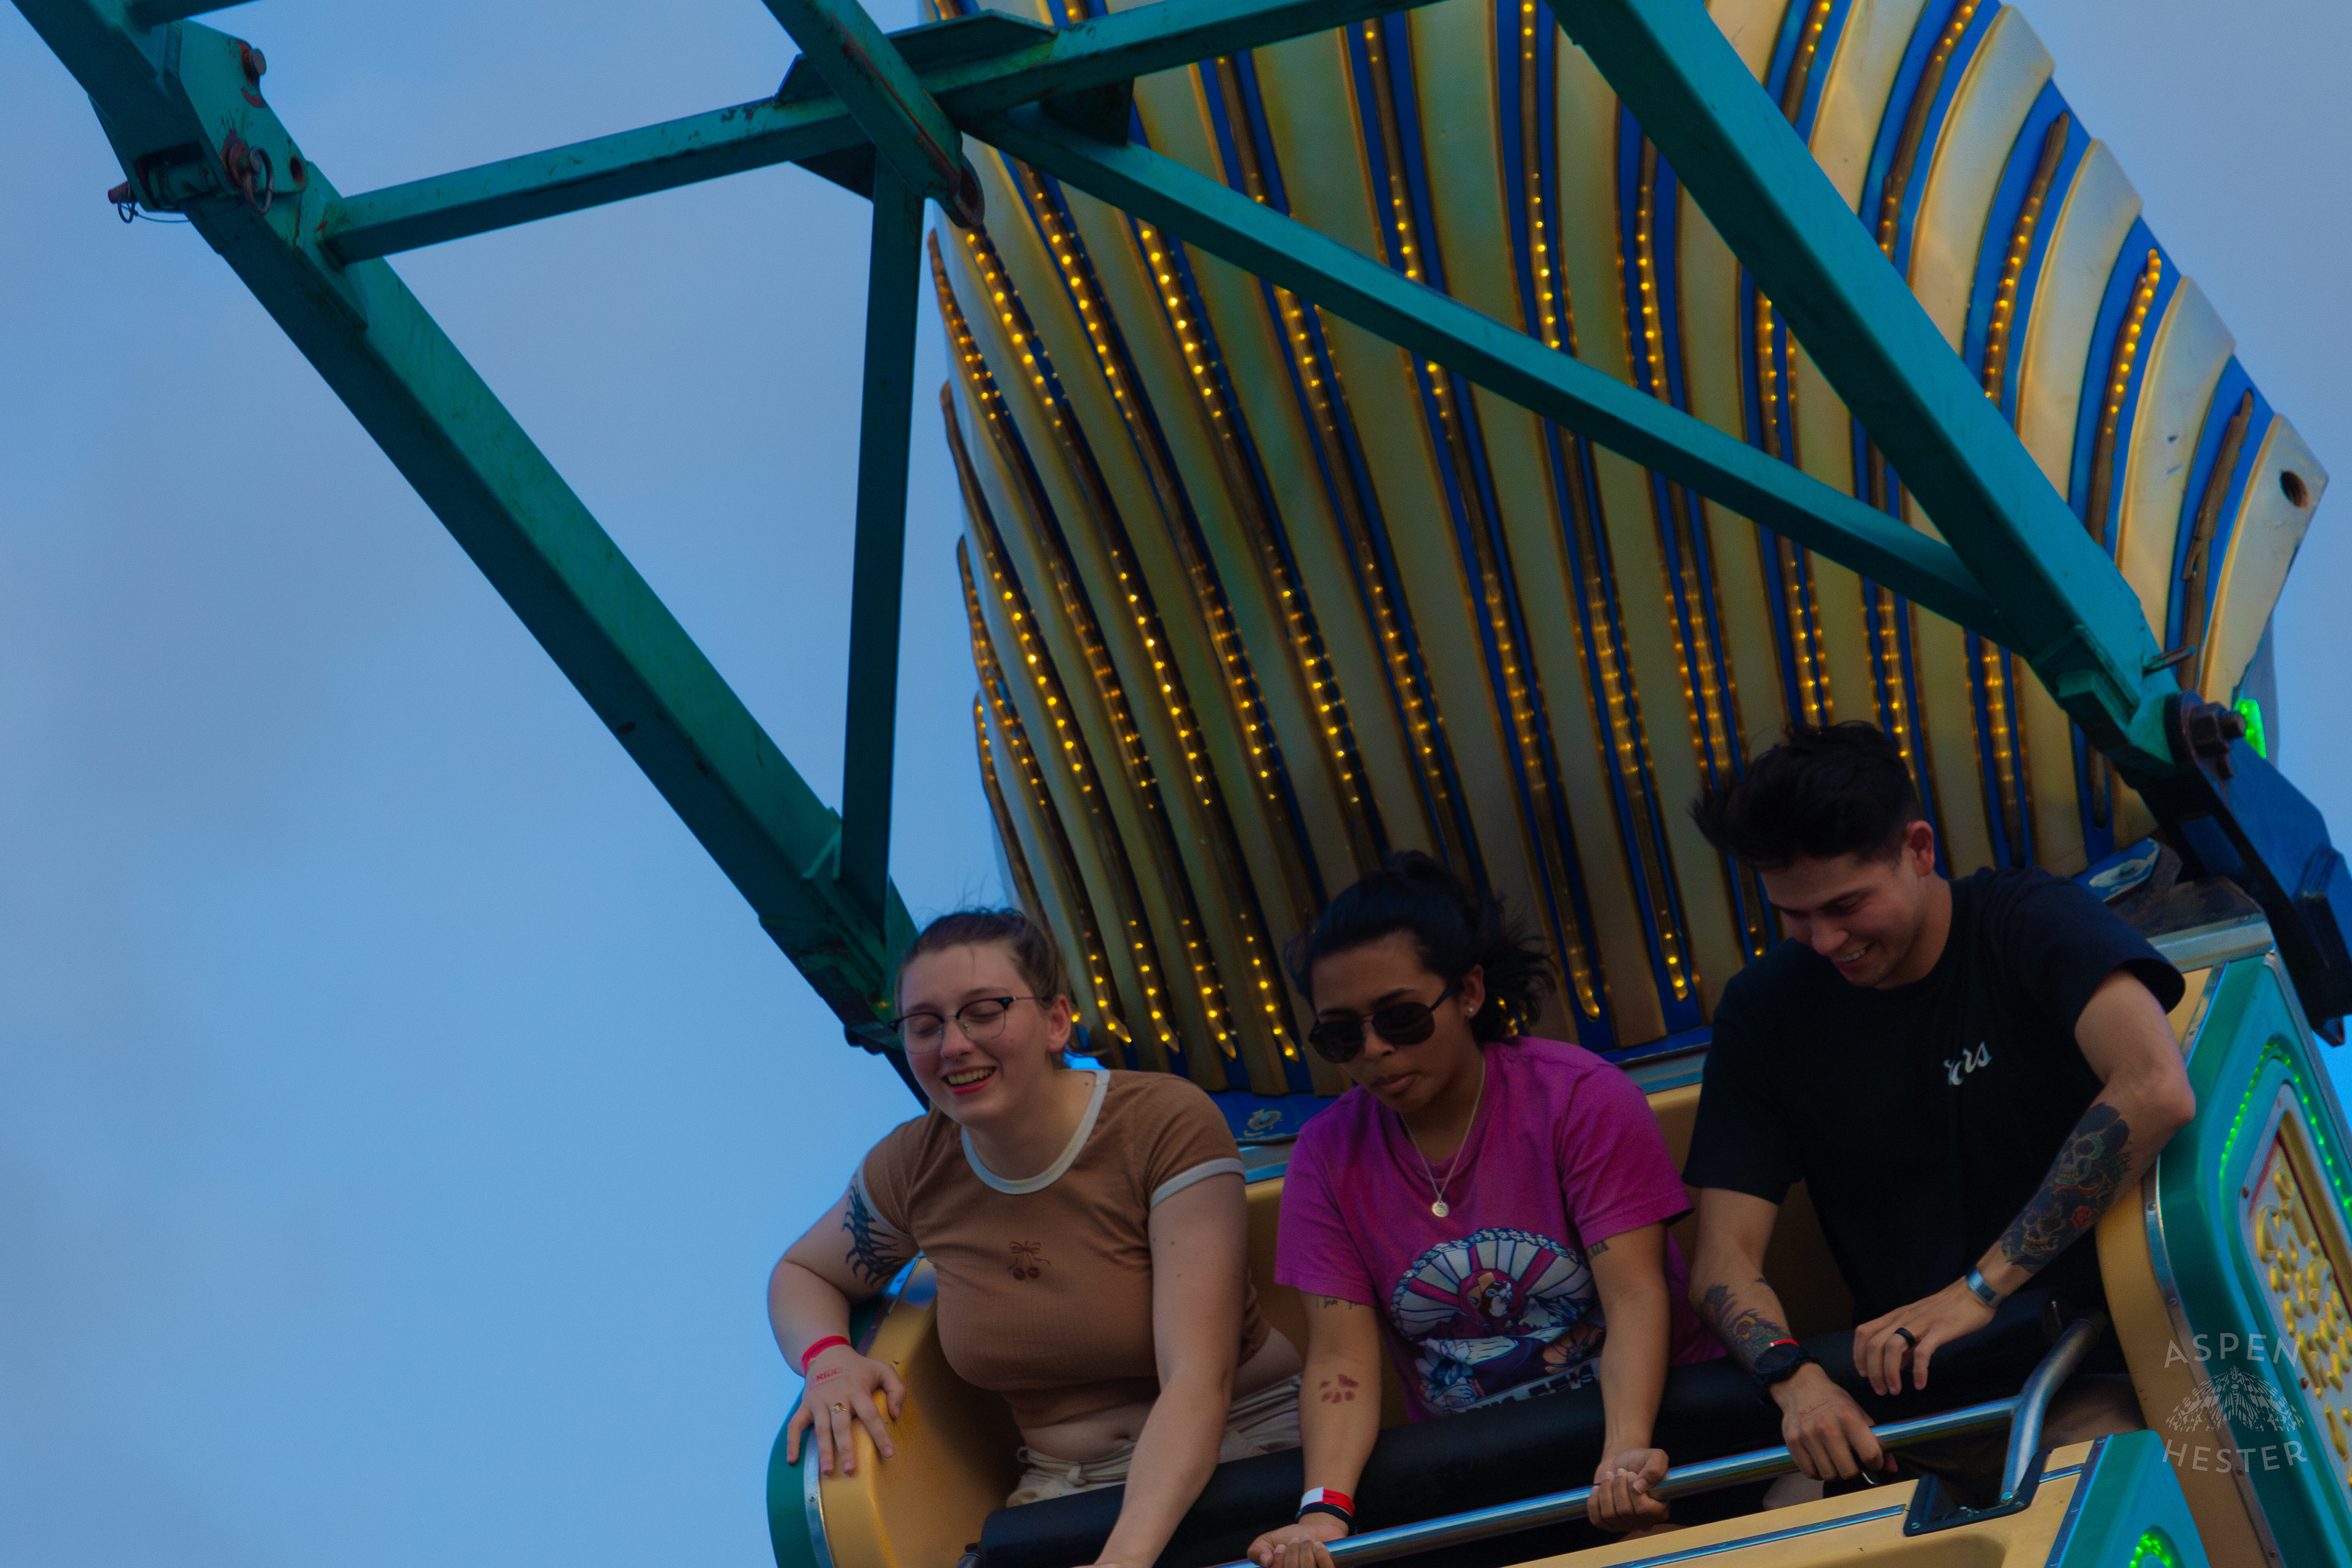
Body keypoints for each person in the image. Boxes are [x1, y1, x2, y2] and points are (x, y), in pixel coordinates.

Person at [1682, 723, 2196, 1502]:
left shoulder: (2025, 920)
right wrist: (1795, 1380)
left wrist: (1978, 1291)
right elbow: (1723, 1259)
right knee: (1782, 1514)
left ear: (1919, 849)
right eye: (1793, 915)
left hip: (2085, 1364)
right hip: (1896, 1411)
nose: (1824, 939)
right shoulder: (1764, 1013)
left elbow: (2155, 1087)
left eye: (1847, 905)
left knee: (2095, 1483)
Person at [768, 909, 1303, 1568]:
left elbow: (1198, 1377)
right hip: (1065, 1491)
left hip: (1250, 1452)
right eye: (925, 1025)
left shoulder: (1161, 1122)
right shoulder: (915, 1165)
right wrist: (828, 1359)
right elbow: (805, 1272)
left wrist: (1122, 1562)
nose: (954, 1044)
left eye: (984, 1011)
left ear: (1056, 1021)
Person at [1245, 853, 1722, 1567]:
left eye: (1401, 1018)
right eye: (1342, 1035)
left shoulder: (1577, 1097)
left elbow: (1635, 1293)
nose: (1375, 1051)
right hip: (1482, 1465)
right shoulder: (1325, 1154)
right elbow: (1340, 1358)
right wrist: (1323, 1511)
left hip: (1662, 1425)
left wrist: (1625, 1452)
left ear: (1468, 991)